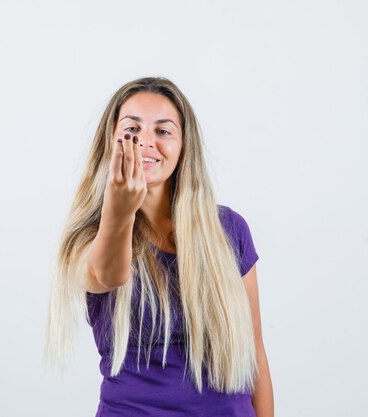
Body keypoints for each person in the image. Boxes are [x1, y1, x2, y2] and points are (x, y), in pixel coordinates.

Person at [44, 76, 274, 417]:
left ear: (184, 145)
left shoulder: (229, 229)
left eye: (163, 131)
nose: (145, 143)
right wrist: (119, 209)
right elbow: (106, 275)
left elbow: (254, 351)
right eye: (132, 131)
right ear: (111, 141)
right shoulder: (88, 236)